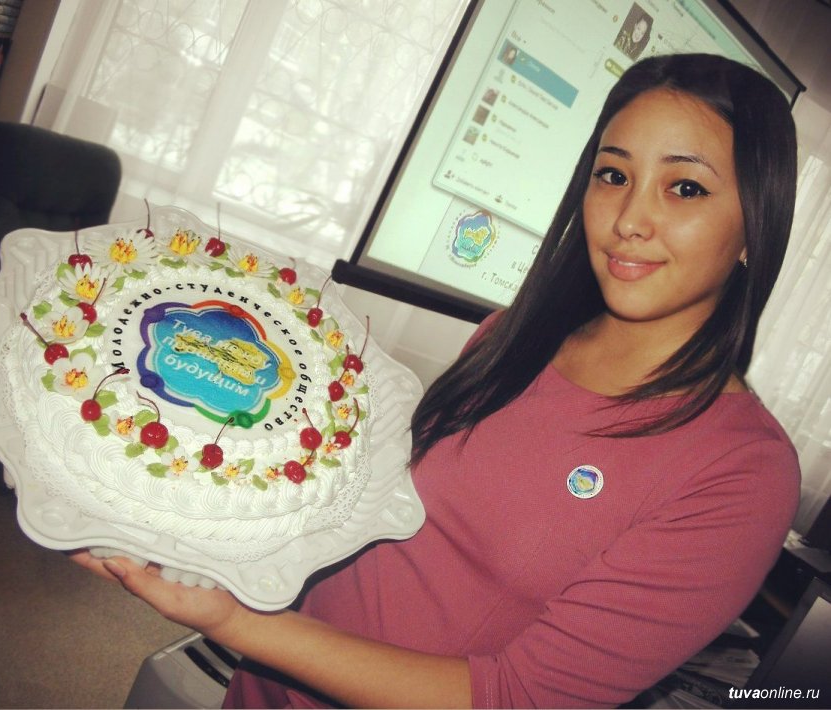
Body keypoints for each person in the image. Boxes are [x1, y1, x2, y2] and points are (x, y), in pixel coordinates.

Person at [72, 53, 801, 708]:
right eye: (613, 175)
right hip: (265, 685)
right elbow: (368, 512)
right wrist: (186, 524)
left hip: (267, 643)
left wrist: (235, 622)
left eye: (685, 187)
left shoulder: (744, 471)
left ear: (754, 225)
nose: (630, 219)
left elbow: (517, 697)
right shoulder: (511, 336)